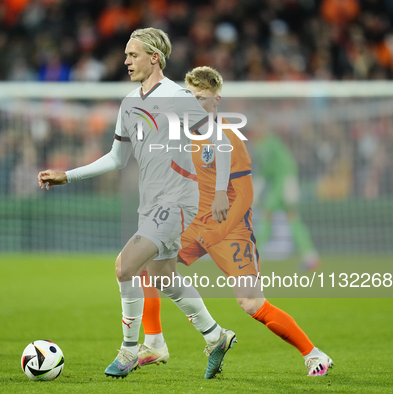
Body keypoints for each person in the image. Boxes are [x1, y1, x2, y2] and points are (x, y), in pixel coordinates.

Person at [38, 28, 237, 379]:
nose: (126, 61)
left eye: (133, 55)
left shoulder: (177, 96)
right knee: (164, 277)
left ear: (154, 57)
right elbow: (117, 158)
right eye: (126, 55)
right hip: (152, 201)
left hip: (177, 200)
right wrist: (67, 175)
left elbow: (221, 141)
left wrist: (220, 191)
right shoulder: (130, 103)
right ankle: (215, 335)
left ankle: (130, 350)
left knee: (124, 267)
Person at [138, 66, 334, 377]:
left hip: (231, 229)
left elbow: (244, 196)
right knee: (146, 266)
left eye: (201, 98)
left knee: (251, 303)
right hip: (194, 223)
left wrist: (216, 233)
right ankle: (156, 343)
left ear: (216, 100)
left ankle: (313, 354)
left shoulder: (228, 137)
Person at [251, 128, 320, 271]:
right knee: (293, 219)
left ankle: (256, 257)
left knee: (265, 217)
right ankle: (310, 256)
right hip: (285, 184)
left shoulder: (265, 145)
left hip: (279, 187)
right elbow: (288, 164)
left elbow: (265, 172)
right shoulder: (274, 143)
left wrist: (255, 192)